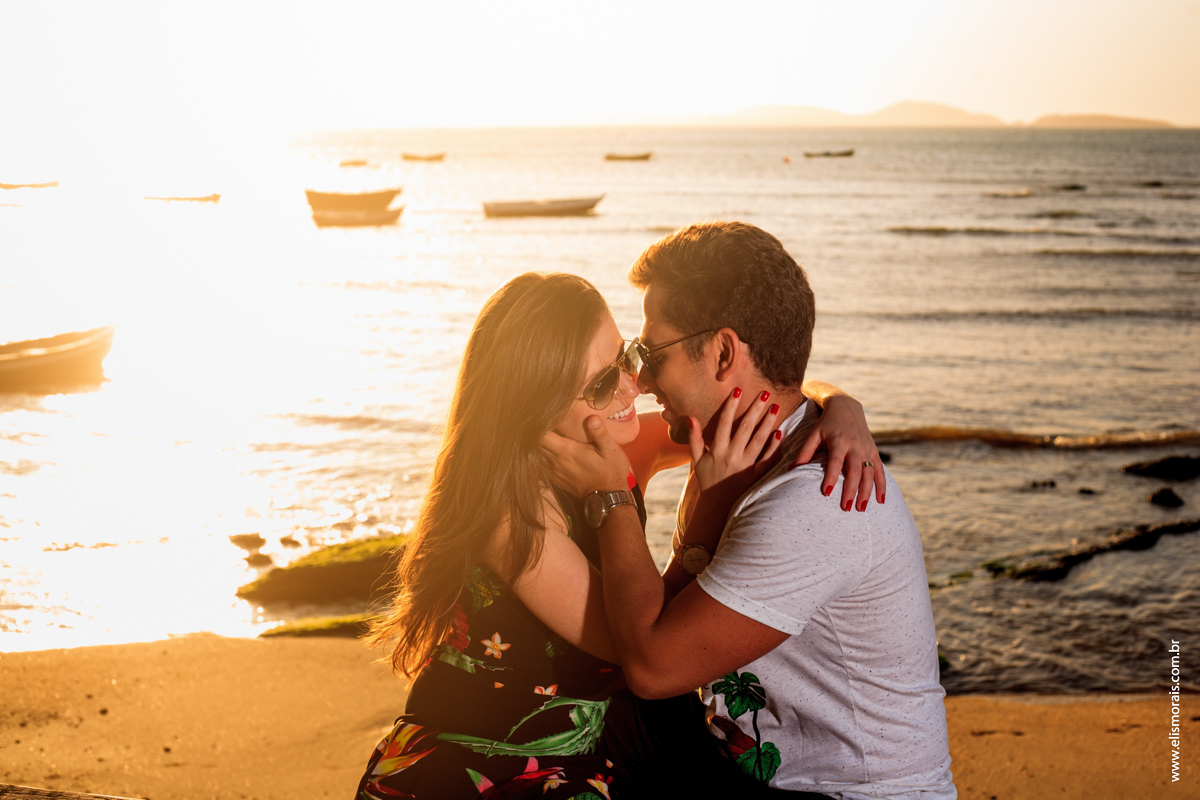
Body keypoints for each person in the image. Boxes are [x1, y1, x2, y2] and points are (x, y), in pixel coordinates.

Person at [355, 271, 883, 800]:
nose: (635, 387)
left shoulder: (621, 443)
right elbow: (640, 650)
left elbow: (766, 406)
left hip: (586, 738)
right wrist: (709, 507)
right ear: (535, 405)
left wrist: (839, 405)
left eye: (627, 358)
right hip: (495, 755)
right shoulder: (513, 515)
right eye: (603, 383)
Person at [542, 222, 956, 799]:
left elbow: (654, 668)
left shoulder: (815, 500)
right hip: (751, 772)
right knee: (590, 721)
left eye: (649, 352)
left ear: (724, 351)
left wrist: (611, 497)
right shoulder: (752, 440)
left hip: (847, 794)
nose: (637, 378)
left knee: (595, 722)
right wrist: (839, 401)